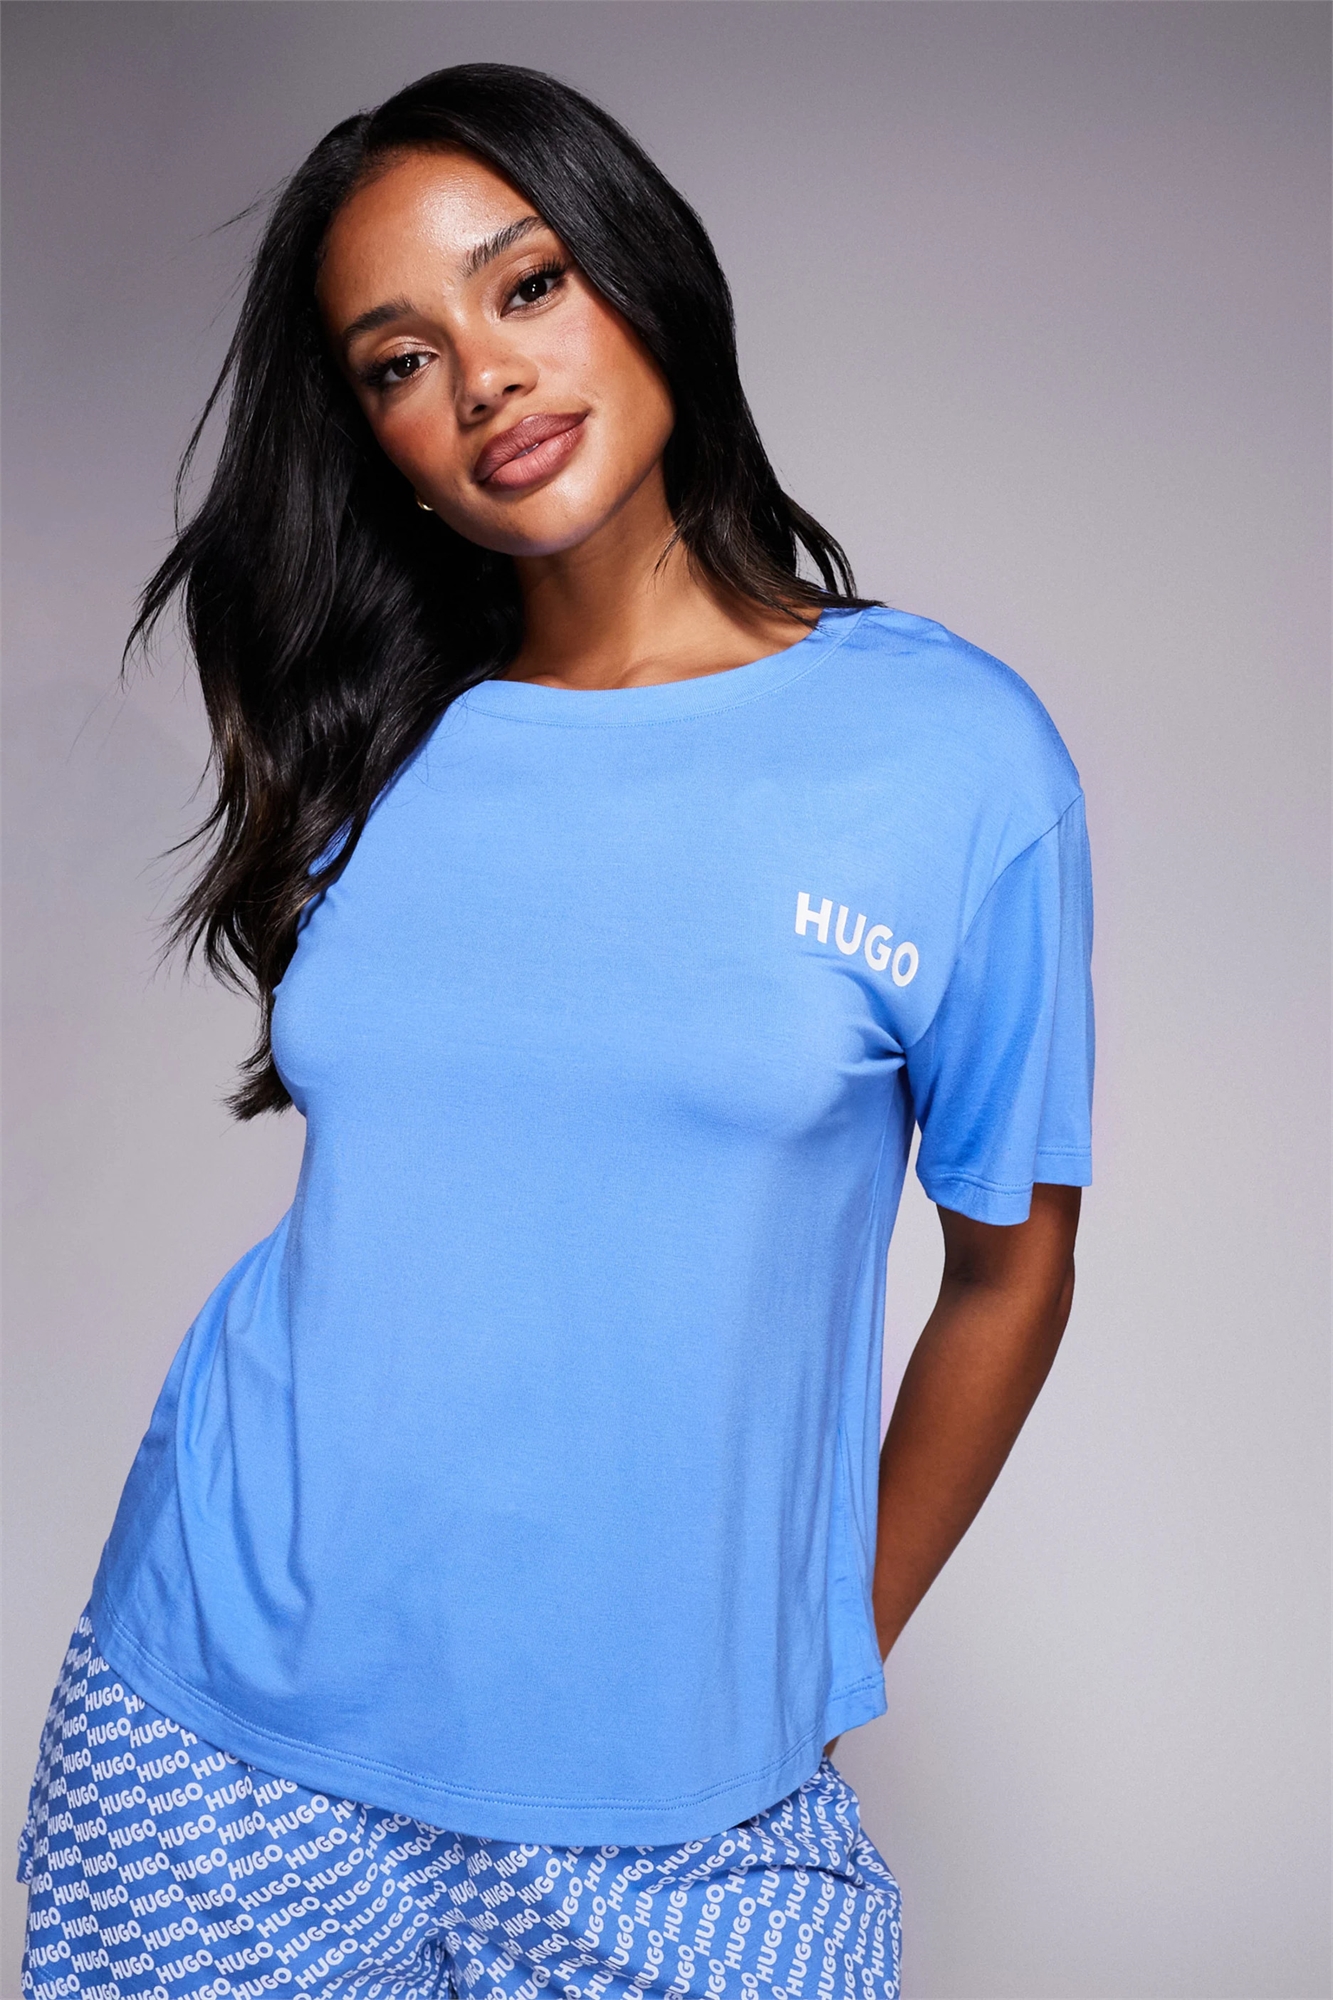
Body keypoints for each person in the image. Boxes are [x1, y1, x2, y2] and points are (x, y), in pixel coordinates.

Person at [18, 62, 1093, 2000]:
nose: (485, 377)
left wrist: (812, 1653)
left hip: (674, 1802)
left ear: (640, 274)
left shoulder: (948, 756)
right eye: (398, 360)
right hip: (222, 1742)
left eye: (526, 285)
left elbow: (1012, 1271)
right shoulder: (375, 744)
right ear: (383, 443)